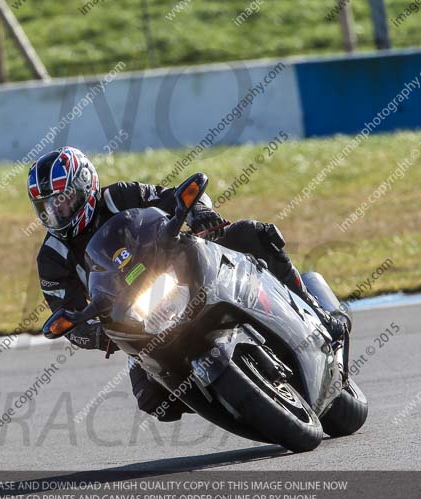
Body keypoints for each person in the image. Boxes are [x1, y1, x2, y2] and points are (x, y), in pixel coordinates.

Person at [30, 146, 346, 421]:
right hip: (135, 318)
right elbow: (66, 316)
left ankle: (316, 310)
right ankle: (231, 402)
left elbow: (172, 199)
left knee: (255, 234)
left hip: (181, 266)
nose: (57, 210)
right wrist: (99, 334)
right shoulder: (51, 257)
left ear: (85, 184)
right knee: (153, 400)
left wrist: (199, 213)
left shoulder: (119, 196)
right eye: (48, 206)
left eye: (63, 199)